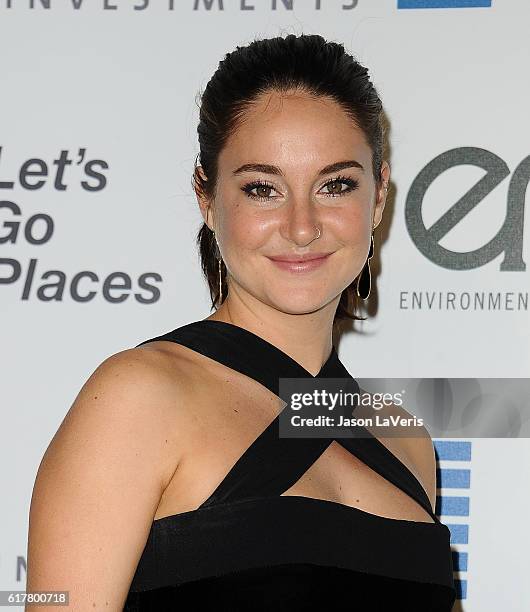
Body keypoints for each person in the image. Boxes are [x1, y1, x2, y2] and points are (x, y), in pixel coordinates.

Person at [25, 34, 456, 611]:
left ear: (378, 199)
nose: (302, 226)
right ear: (206, 199)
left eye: (335, 185)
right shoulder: (142, 398)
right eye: (262, 189)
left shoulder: (406, 441)